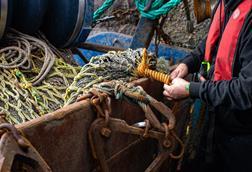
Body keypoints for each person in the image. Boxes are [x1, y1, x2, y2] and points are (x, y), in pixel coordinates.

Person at [163, 0, 252, 171]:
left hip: (243, 137)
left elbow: (246, 91)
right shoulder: (226, 5)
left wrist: (191, 89)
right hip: (217, 120)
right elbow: (211, 43)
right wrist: (187, 63)